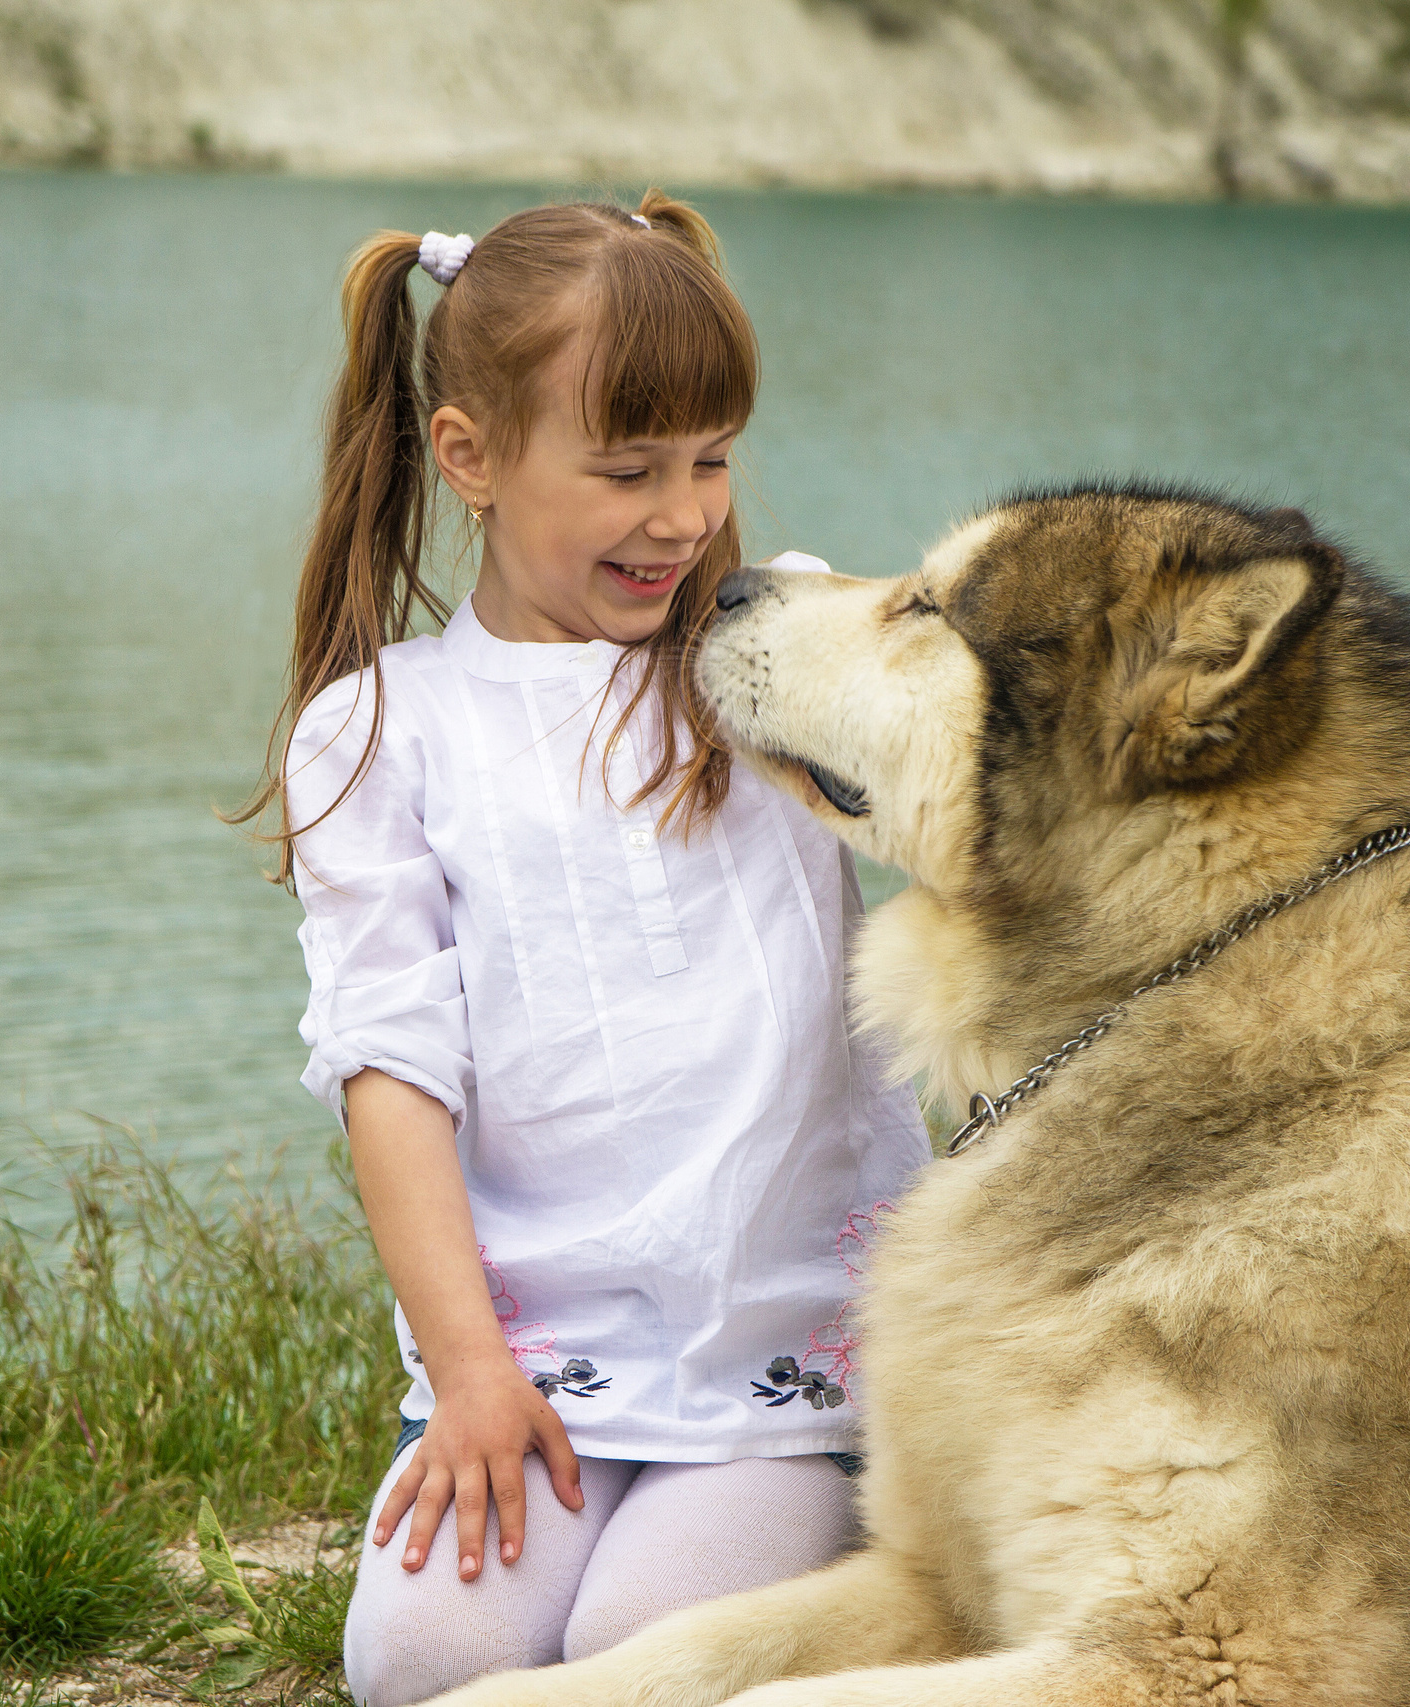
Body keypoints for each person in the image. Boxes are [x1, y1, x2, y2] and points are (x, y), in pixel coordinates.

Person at [234, 191, 926, 1706]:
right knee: (423, 1666)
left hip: (783, 1355)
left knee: (639, 1662)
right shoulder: (382, 728)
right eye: (626, 470)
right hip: (537, 1365)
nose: (683, 514)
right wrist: (470, 1376)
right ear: (471, 457)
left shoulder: (769, 659)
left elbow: (979, 813)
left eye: (710, 458)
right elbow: (391, 1071)